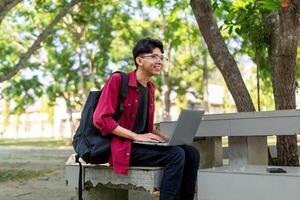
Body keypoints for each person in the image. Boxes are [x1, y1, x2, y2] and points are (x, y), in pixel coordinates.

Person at [93, 37, 200, 200]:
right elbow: (101, 120)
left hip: (139, 145)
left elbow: (146, 129)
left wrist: (165, 138)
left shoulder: (150, 88)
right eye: (155, 57)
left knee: (191, 152)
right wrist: (136, 136)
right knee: (176, 154)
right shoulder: (118, 80)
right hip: (121, 146)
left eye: (161, 58)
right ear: (139, 60)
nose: (160, 61)